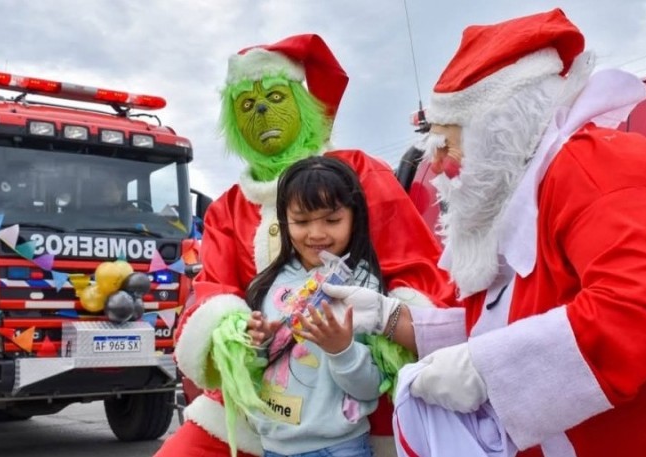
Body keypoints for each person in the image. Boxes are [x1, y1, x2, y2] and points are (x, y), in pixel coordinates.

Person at [321, 8, 646, 457]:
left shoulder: (597, 167)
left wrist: (482, 371)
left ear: (498, 129)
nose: (435, 166)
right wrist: (391, 317)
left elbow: (633, 312)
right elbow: (504, 327)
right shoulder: (520, 200)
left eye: (446, 144)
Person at [154, 34, 456, 457]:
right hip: (259, 405)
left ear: (303, 102)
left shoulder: (358, 172)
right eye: (245, 105)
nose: (261, 110)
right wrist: (239, 330)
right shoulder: (228, 207)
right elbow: (215, 292)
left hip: (358, 413)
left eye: (275, 96)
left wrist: (383, 331)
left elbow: (415, 268)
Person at [242, 155, 385, 457]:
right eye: (302, 221)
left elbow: (371, 388)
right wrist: (258, 344)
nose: (317, 233)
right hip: (274, 447)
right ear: (284, 221)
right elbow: (250, 372)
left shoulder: (364, 287)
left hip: (341, 446)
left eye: (332, 220)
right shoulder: (268, 285)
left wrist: (342, 350)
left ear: (354, 217)